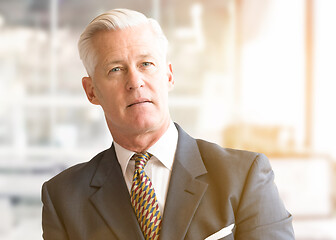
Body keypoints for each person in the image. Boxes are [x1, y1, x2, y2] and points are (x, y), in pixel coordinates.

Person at [41, 8, 295, 240]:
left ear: (169, 75)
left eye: (146, 64)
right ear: (91, 91)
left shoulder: (245, 176)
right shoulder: (63, 198)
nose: (135, 81)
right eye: (116, 69)